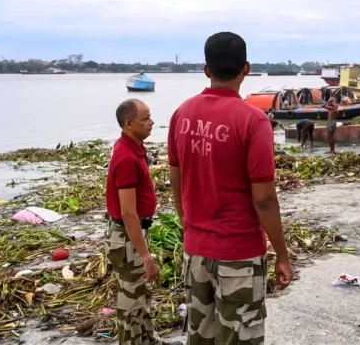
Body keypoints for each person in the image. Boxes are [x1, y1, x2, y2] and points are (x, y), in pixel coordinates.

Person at [167, 32, 293, 345]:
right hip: (238, 255)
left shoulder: (182, 114)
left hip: (196, 252)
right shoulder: (253, 121)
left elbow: (176, 181)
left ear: (206, 69)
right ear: (246, 68)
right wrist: (282, 253)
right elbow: (263, 199)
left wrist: (189, 226)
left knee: (201, 336)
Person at [105, 99, 182, 345]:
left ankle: (149, 340)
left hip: (133, 232)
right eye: (145, 118)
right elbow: (128, 213)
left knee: (140, 293)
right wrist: (146, 256)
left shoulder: (134, 148)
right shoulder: (126, 157)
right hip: (127, 235)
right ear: (129, 123)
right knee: (130, 302)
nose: (151, 122)